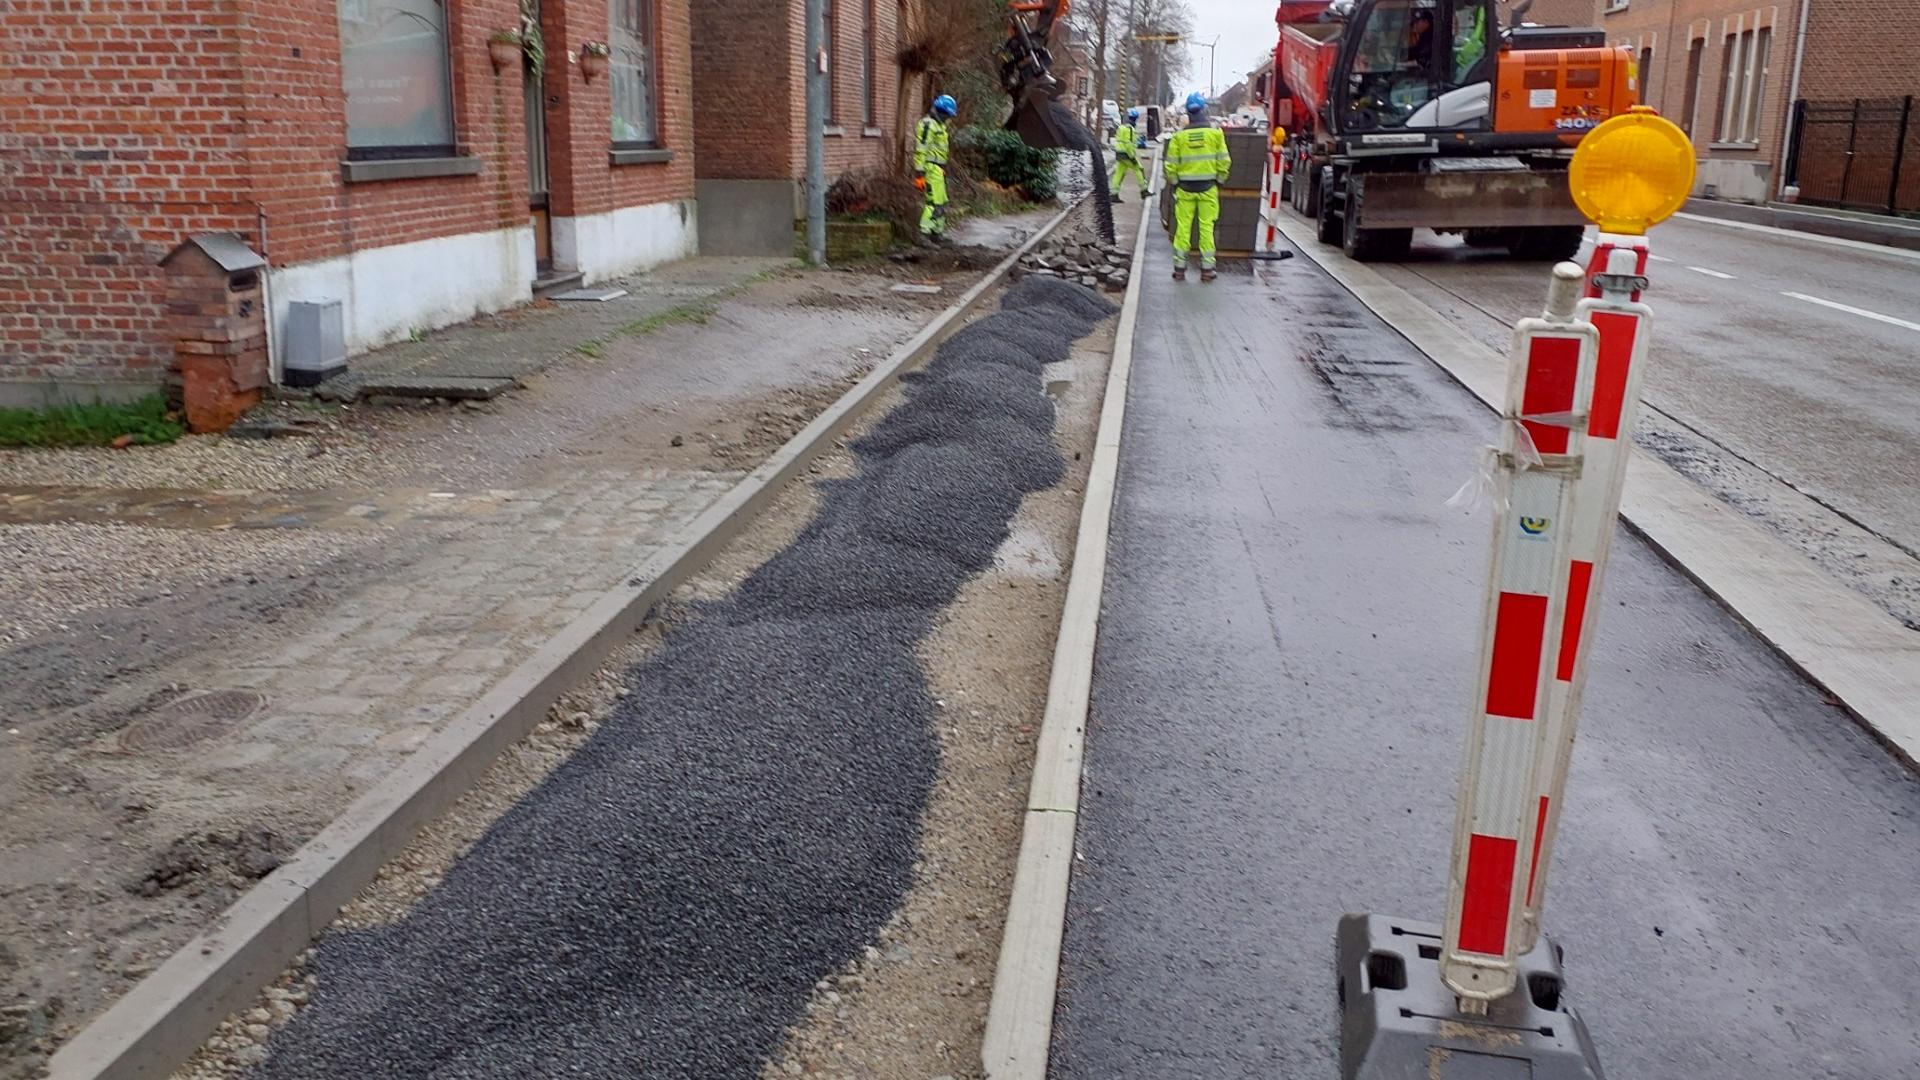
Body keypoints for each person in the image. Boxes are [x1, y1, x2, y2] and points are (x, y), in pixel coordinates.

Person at [1163, 92, 1231, 282]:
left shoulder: (1179, 138)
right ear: (1204, 110)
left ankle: (1179, 269)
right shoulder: (1215, 135)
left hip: (1185, 190)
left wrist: (1176, 183)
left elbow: (1170, 166)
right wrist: (1220, 179)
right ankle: (1207, 270)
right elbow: (1224, 162)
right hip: (1208, 189)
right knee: (1206, 228)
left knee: (1183, 228)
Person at [913, 94, 957, 246]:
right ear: (941, 111)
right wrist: (919, 173)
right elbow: (921, 149)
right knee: (933, 202)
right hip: (930, 169)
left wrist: (942, 168)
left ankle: (937, 233)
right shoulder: (928, 125)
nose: (948, 118)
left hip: (938, 169)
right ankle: (924, 234)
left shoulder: (940, 126)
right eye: (947, 115)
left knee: (942, 202)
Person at [1110, 108, 1148, 203]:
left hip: (1119, 153)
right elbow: (1128, 144)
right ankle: (1144, 190)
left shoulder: (1121, 127)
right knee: (1138, 168)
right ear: (1135, 119)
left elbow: (1119, 140)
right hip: (1126, 154)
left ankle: (1114, 194)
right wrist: (1132, 157)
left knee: (1119, 172)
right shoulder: (1130, 129)